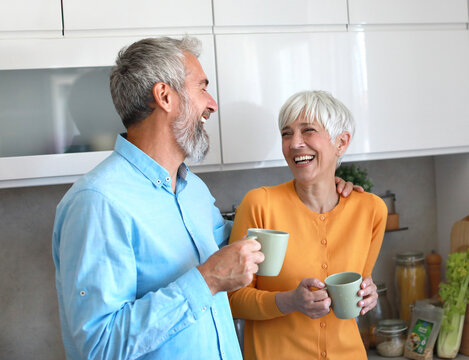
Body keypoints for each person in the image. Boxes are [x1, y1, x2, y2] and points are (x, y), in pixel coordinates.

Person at [52, 37, 359, 359]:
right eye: (201, 88)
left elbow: (243, 242)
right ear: (165, 96)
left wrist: (322, 188)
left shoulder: (192, 190)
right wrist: (207, 279)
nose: (212, 104)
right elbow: (99, 347)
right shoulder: (98, 202)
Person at [228, 90, 388, 360]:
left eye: (308, 130)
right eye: (286, 133)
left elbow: (359, 286)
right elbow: (232, 300)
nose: (295, 143)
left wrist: (367, 295)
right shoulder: (260, 205)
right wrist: (289, 301)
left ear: (342, 142)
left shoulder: (371, 210)